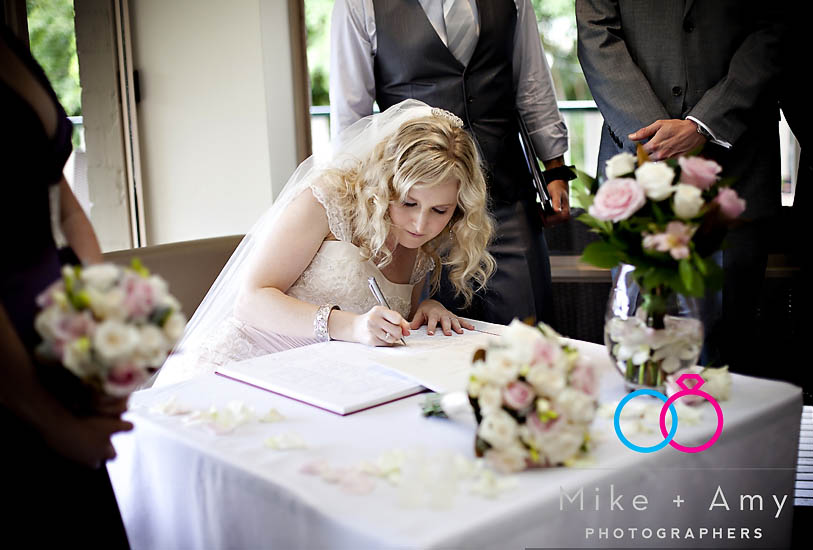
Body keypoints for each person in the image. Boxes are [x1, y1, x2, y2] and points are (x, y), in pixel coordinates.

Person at [154, 99, 495, 387]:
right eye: (408, 202)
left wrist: (424, 309)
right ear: (384, 185)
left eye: (439, 210)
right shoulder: (327, 201)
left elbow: (385, 320)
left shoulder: (418, 248)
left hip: (320, 382)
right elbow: (251, 300)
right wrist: (350, 325)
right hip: (242, 367)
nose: (421, 224)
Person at [329, 0, 574, 326]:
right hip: (416, 212)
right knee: (432, 329)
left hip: (507, 197)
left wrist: (555, 168)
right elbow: (350, 117)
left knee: (529, 329)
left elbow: (533, 85)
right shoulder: (358, 5)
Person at [576, 1, 784, 372]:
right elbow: (596, 31)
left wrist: (703, 124)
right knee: (638, 342)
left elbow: (775, 27)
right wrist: (655, 139)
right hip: (636, 162)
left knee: (730, 350)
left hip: (737, 162)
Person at [0, 27, 132, 545]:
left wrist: (98, 321)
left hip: (55, 343)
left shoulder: (9, 44)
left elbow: (63, 205)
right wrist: (53, 421)